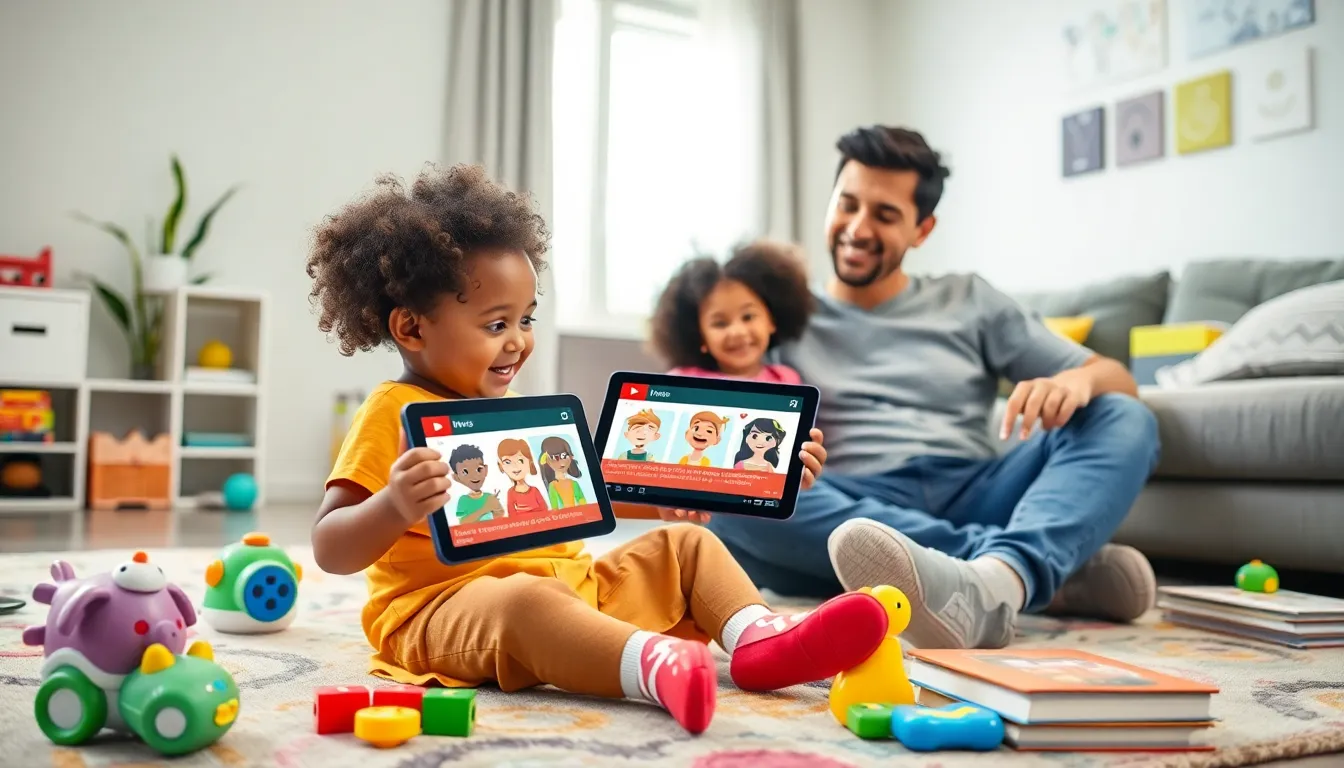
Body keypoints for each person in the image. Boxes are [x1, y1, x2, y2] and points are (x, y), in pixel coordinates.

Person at [305, 162, 888, 735]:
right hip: (442, 610)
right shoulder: (392, 410)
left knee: (688, 544)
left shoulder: (510, 410)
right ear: (411, 328)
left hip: (574, 587)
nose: (519, 343)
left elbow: (584, 493)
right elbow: (331, 546)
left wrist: (699, 490)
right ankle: (652, 666)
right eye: (495, 325)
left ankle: (758, 639)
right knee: (526, 604)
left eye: (526, 319)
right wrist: (395, 506)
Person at [704, 126, 1162, 651]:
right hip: (852, 502)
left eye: (885, 214)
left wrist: (1076, 379)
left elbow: (1119, 379)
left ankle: (990, 574)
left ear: (922, 229)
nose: (857, 227)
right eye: (847, 204)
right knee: (735, 493)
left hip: (979, 489)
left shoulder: (970, 300)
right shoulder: (778, 317)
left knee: (1125, 416)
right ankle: (1017, 571)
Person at [651, 239, 815, 384]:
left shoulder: (786, 380)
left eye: (748, 317)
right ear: (699, 335)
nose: (737, 332)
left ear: (772, 320)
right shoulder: (682, 382)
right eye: (720, 323)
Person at [539, 435, 586, 509]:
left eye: (564, 456)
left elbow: (582, 501)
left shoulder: (574, 483)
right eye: (554, 457)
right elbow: (555, 507)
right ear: (546, 461)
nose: (561, 462)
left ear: (571, 456)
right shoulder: (552, 486)